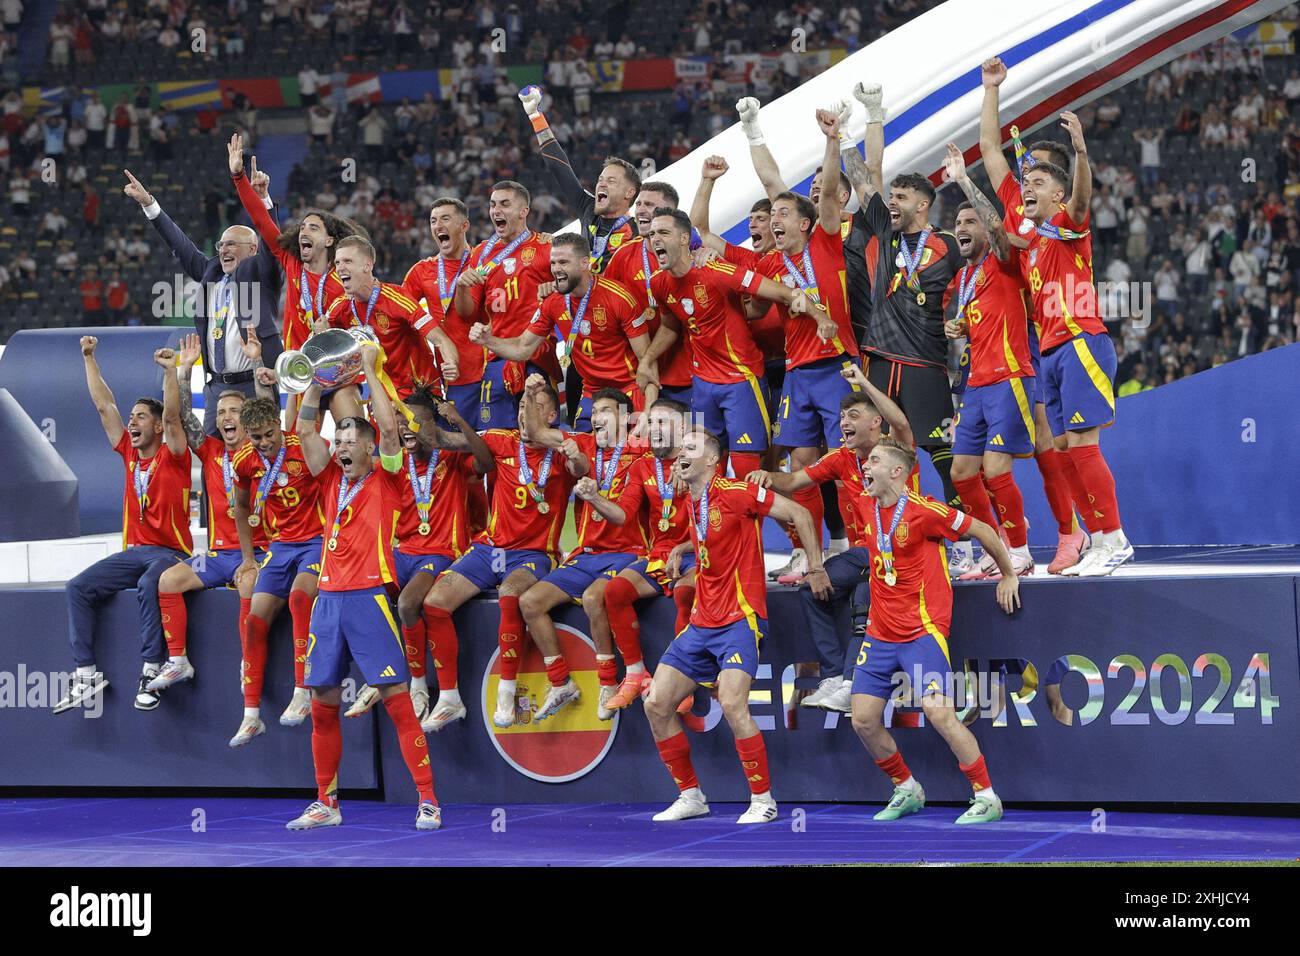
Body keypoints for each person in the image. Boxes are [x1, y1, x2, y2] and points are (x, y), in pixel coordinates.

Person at [693, 109, 860, 582]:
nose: (773, 219)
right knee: (799, 463)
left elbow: (826, 193)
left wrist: (832, 140)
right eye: (772, 214)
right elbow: (702, 236)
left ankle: (865, 546)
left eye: (784, 214)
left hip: (838, 366)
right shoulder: (768, 265)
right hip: (797, 372)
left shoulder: (826, 242)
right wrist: (708, 182)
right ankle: (810, 552)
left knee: (849, 459)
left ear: (807, 224)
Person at [982, 58, 1132, 575]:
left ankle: (1115, 539)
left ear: (1058, 194)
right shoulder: (1026, 232)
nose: (1028, 182)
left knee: (1083, 444)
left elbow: (1086, 196)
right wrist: (990, 90)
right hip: (1048, 351)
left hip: (1082, 341)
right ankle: (1093, 538)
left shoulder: (1069, 224)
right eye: (1028, 178)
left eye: (1039, 178)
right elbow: (989, 153)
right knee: (1065, 447)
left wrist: (1082, 151)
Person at [284, 348, 441, 831]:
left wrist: (370, 370)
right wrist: (312, 376)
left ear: (370, 448)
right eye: (343, 438)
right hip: (327, 602)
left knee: (396, 698)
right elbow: (307, 431)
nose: (345, 445)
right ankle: (326, 803)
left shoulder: (389, 478)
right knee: (323, 704)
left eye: (354, 438)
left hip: (369, 597)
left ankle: (428, 800)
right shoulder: (330, 475)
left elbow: (391, 428)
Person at [643, 427, 827, 824]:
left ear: (712, 460)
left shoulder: (738, 491)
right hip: (701, 622)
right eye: (679, 450)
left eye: (689, 448)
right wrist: (683, 546)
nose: (679, 454)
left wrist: (815, 567)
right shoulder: (694, 500)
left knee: (731, 701)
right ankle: (691, 795)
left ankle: (763, 799)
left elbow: (799, 513)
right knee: (656, 704)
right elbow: (714, 534)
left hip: (739, 619)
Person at [848, 438, 1018, 825]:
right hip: (878, 632)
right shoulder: (865, 504)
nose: (865, 466)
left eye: (873, 460)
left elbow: (983, 530)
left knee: (938, 713)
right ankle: (906, 787)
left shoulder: (926, 512)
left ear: (896, 471)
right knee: (862, 719)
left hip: (921, 630)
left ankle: (986, 796)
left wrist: (1008, 574)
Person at [419, 376, 589, 728]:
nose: (527, 418)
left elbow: (582, 468)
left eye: (537, 410)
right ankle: (449, 698)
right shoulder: (500, 440)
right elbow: (441, 439)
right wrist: (413, 416)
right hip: (490, 548)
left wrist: (573, 454)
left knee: (512, 594)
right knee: (434, 603)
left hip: (533, 553)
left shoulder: (564, 450)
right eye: (523, 410)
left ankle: (506, 694)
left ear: (554, 417)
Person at [746, 364, 913, 714]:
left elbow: (900, 423)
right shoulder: (840, 459)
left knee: (866, 593)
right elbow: (793, 483)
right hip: (863, 552)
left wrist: (864, 382)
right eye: (841, 418)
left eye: (853, 415)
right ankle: (836, 675)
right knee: (811, 587)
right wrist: (767, 475)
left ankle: (854, 683)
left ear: (875, 422)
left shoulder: (894, 451)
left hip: (903, 552)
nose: (844, 423)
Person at [850, 85, 966, 544]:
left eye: (900, 198)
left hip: (925, 361)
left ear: (923, 204)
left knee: (940, 451)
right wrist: (847, 135)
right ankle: (897, 534)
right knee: (883, 452)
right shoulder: (885, 230)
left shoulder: (949, 245)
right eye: (891, 197)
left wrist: (965, 321)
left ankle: (962, 539)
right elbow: (864, 180)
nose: (890, 203)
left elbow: (976, 285)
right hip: (879, 359)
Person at [54, 340, 193, 714]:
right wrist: (87, 357)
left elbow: (173, 418)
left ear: (158, 427)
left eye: (141, 417)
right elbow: (104, 404)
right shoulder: (129, 453)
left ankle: (150, 672)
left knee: (151, 583)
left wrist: (169, 372)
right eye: (131, 417)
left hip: (172, 555)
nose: (131, 422)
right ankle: (86, 675)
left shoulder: (175, 455)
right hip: (134, 554)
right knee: (78, 587)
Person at [343, 386, 493, 732]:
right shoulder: (396, 463)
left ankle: (418, 686)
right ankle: (383, 675)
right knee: (362, 593)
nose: (407, 427)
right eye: (401, 419)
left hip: (442, 551)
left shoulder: (451, 457)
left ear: (432, 426)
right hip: (404, 551)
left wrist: (457, 426)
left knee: (410, 603)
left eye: (415, 421)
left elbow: (485, 461)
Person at [638, 208, 815, 481]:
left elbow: (782, 292)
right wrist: (648, 359)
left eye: (663, 232)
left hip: (741, 380)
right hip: (702, 383)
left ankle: (794, 522)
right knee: (702, 468)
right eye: (651, 235)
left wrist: (819, 316)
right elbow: (670, 325)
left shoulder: (716, 271)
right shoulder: (658, 283)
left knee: (750, 474)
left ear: (685, 239)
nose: (655, 240)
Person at [146, 334, 269, 693]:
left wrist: (259, 364)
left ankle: (251, 665)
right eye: (221, 413)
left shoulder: (263, 452)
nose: (226, 418)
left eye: (233, 412)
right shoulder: (211, 450)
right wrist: (184, 372)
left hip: (259, 552)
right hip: (217, 556)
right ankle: (178, 661)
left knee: (248, 583)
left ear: (247, 420)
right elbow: (183, 417)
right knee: (168, 580)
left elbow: (268, 412)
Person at [123, 167, 284, 437]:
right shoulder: (212, 272)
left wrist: (263, 202)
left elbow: (272, 243)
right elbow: (181, 245)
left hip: (255, 382)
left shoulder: (262, 274)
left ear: (253, 250)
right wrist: (150, 205)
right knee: (212, 462)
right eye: (221, 244)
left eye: (232, 244)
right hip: (215, 388)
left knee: (260, 458)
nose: (223, 250)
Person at [517, 388, 645, 719]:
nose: (597, 415)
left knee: (592, 599)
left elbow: (690, 433)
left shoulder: (642, 449)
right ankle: (560, 683)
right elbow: (535, 432)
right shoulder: (585, 443)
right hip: (587, 553)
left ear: (625, 417)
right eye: (594, 410)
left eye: (605, 410)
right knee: (529, 602)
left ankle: (607, 683)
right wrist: (531, 397)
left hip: (628, 553)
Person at [940, 143, 1037, 579]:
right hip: (976, 384)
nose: (961, 227)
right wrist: (958, 328)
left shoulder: (1005, 260)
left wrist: (963, 179)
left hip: (1010, 377)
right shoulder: (963, 277)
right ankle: (993, 544)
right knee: (962, 473)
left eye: (969, 221)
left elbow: (1000, 228)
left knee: (996, 469)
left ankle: (1019, 548)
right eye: (957, 222)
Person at [471, 233, 652, 431]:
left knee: (635, 454)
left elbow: (647, 360)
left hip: (628, 389)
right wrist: (487, 340)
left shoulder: (619, 298)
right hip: (592, 392)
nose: (556, 269)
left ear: (585, 263)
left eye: (563, 262)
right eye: (553, 263)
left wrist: (649, 413)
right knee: (582, 455)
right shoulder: (553, 302)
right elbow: (523, 348)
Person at [228, 393, 325, 745]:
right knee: (255, 620)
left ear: (279, 427)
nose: (264, 443)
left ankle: (303, 690)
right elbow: (240, 507)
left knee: (301, 598)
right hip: (280, 547)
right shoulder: (244, 460)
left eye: (269, 434)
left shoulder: (306, 446)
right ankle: (251, 715)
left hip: (316, 541)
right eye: (256, 437)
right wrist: (248, 557)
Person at [597, 398, 699, 714]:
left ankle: (680, 681)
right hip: (658, 555)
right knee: (613, 592)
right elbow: (623, 513)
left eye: (661, 422)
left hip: (696, 552)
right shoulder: (642, 466)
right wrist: (593, 498)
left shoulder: (701, 458)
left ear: (682, 428)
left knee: (686, 592)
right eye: (650, 423)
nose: (653, 429)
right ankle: (635, 673)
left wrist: (692, 471)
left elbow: (717, 517)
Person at [453, 180, 558, 429]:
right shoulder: (480, 254)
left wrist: (555, 288)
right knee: (497, 437)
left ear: (524, 211)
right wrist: (461, 287)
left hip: (537, 355)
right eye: (492, 205)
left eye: (504, 204)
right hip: (497, 355)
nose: (496, 211)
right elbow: (466, 313)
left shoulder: (546, 246)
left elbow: (574, 290)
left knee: (540, 434)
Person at [323, 235, 459, 410]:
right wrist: (321, 332)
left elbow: (440, 339)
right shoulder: (339, 307)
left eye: (347, 261)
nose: (340, 268)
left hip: (418, 393)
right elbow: (322, 345)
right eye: (338, 262)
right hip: (381, 397)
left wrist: (451, 363)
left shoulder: (397, 299)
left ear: (367, 265)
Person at [518, 85, 638, 274]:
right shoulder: (589, 209)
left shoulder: (638, 232)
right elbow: (559, 168)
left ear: (629, 193)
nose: (602, 184)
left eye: (611, 181)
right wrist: (535, 116)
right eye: (600, 179)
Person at [603, 182, 695, 408]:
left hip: (689, 371)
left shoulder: (692, 253)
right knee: (651, 439)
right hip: (641, 374)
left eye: (650, 205)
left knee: (694, 437)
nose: (641, 209)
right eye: (639, 204)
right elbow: (602, 300)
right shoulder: (623, 255)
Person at [402, 197, 486, 425]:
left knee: (494, 445)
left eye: (445, 219)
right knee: (459, 452)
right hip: (453, 378)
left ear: (464, 225)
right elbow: (400, 316)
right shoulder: (421, 271)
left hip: (491, 373)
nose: (438, 225)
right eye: (433, 221)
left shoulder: (484, 260)